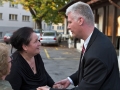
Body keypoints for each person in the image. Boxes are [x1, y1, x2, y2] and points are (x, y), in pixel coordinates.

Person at [37, 1, 120, 90]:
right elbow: (88, 70)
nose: (68, 27)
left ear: (80, 21)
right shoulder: (95, 39)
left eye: (70, 22)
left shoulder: (98, 52)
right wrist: (70, 80)